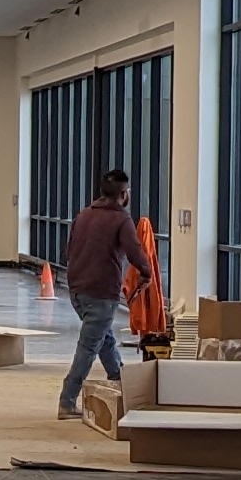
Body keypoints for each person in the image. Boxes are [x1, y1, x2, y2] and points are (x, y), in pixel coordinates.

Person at [58, 169, 151, 421]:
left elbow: (70, 249)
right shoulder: (121, 220)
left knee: (103, 338)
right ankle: (67, 401)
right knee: (88, 346)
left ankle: (119, 380)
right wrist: (146, 271)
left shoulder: (84, 214)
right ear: (124, 194)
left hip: (77, 289)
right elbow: (134, 251)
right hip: (101, 291)